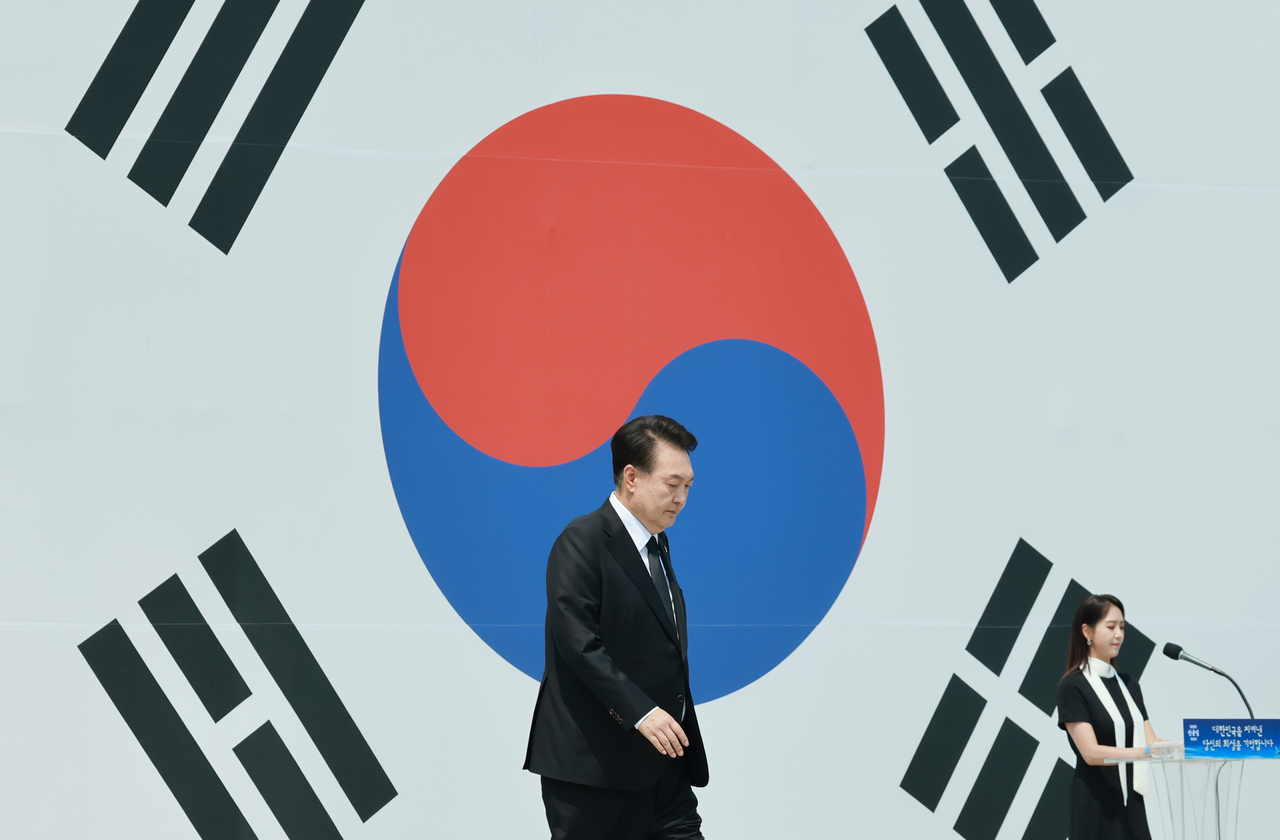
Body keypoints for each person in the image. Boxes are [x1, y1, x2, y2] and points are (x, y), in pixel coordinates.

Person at [524, 415, 709, 840]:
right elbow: (577, 642)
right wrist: (641, 712)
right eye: (672, 484)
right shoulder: (582, 540)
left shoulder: (658, 545)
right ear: (631, 477)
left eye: (689, 487)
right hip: (595, 772)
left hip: (664, 772)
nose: (681, 498)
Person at [1056, 594, 1170, 840]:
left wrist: (1187, 748)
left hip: (1132, 803)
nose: (1118, 634)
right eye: (1110, 627)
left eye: (1122, 627)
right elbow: (1091, 753)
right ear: (1087, 631)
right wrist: (1145, 753)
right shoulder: (1073, 686)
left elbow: (1151, 741)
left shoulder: (1129, 684)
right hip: (1095, 803)